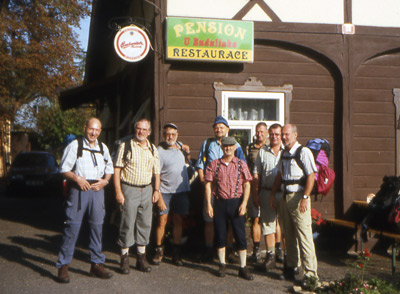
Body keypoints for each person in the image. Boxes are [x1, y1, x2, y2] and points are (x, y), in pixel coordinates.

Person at [56, 118, 113, 283]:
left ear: (100, 131)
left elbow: (109, 168)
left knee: (97, 227)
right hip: (79, 189)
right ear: (85, 128)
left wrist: (105, 181)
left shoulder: (103, 148)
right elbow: (63, 168)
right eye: (91, 129)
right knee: (72, 227)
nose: (93, 133)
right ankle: (63, 266)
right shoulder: (75, 146)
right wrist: (77, 178)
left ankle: (96, 265)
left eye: (97, 130)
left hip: (97, 189)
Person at [270, 124, 318, 287]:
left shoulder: (303, 152)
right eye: (282, 134)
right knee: (288, 234)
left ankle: (311, 275)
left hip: (298, 197)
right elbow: (279, 175)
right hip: (284, 197)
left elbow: (311, 176)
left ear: (295, 135)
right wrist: (272, 194)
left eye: (287, 134)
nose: (283, 137)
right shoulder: (283, 153)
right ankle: (291, 267)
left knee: (304, 236)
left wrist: (305, 197)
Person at [195, 115, 246, 262]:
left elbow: (243, 168)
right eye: (216, 127)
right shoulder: (207, 144)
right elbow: (200, 165)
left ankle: (228, 250)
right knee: (209, 219)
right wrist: (205, 183)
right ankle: (209, 250)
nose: (219, 129)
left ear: (227, 129)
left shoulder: (236, 146)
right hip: (212, 189)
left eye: (221, 127)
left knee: (230, 221)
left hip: (231, 191)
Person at [113, 118, 161, 274]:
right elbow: (117, 170)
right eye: (138, 128)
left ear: (149, 132)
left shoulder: (153, 149)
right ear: (135, 129)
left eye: (144, 129)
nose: (141, 132)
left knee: (145, 224)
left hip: (147, 190)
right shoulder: (125, 146)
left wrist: (156, 190)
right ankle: (124, 259)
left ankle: (141, 258)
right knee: (127, 224)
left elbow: (157, 172)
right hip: (129, 189)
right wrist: (118, 192)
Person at [205, 136, 253, 280]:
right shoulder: (214, 164)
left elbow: (247, 184)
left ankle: (243, 267)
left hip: (236, 202)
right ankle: (222, 264)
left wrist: (244, 203)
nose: (228, 149)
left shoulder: (240, 164)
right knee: (220, 234)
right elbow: (208, 184)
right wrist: (209, 204)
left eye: (231, 146)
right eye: (225, 146)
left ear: (234, 148)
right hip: (220, 202)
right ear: (222, 148)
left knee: (240, 235)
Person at [153, 123, 192, 266]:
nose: (170, 137)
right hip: (165, 192)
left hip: (180, 192)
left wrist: (185, 149)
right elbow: (155, 175)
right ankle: (159, 250)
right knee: (161, 221)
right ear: (163, 135)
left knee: (178, 221)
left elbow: (185, 150)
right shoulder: (159, 151)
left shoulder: (180, 147)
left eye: (173, 134)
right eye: (167, 134)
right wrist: (159, 196)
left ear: (177, 135)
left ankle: (176, 253)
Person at [252, 123, 284, 271]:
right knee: (268, 226)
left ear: (282, 135)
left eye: (277, 134)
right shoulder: (263, 152)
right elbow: (256, 173)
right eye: (272, 134)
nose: (274, 137)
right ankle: (270, 256)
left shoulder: (287, 152)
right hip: (265, 191)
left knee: (285, 224)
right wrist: (255, 192)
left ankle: (285, 255)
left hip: (284, 193)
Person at [245, 122, 268, 263]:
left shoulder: (271, 147)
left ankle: (275, 250)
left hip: (268, 187)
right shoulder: (249, 148)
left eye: (262, 132)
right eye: (257, 131)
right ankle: (256, 249)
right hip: (254, 187)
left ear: (266, 133)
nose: (259, 134)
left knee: (272, 220)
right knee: (255, 219)